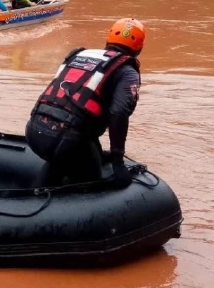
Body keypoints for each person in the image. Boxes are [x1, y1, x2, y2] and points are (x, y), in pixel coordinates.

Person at [25, 18, 146, 188]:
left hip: (34, 130)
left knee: (62, 159)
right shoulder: (128, 72)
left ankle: (35, 191)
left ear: (109, 38)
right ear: (139, 48)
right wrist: (118, 162)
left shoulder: (78, 54)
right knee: (89, 179)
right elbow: (118, 113)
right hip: (67, 141)